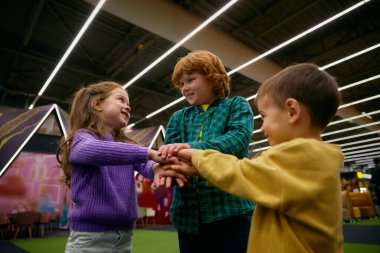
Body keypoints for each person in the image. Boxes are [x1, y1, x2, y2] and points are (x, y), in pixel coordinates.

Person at [166, 63, 344, 253]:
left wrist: (197, 156)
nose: (262, 127)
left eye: (264, 116)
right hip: (190, 218)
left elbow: (243, 172)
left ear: (292, 111)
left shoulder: (305, 157)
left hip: (230, 217)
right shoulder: (311, 157)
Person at [57, 81, 185, 253]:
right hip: (89, 240)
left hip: (124, 239)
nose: (127, 107)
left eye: (128, 103)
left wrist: (156, 168)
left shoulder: (123, 146)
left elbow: (145, 164)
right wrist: (149, 152)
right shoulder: (82, 138)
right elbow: (92, 151)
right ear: (97, 104)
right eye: (121, 100)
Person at [158, 50, 255, 253]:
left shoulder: (236, 105)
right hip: (188, 217)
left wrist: (191, 149)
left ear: (213, 78)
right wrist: (168, 167)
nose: (185, 88)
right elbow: (171, 157)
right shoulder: (178, 117)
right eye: (182, 84)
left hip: (231, 211)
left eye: (191, 80)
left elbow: (236, 140)